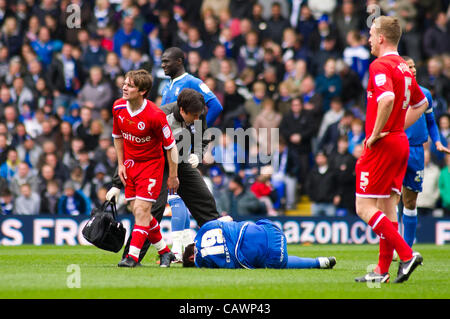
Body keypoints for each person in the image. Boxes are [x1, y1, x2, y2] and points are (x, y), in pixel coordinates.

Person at [354, 16, 428, 284]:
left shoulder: (381, 65)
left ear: (382, 37)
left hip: (383, 144)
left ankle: (406, 255)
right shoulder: (404, 67)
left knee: (363, 206)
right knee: (387, 207)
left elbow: (387, 98)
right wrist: (397, 126)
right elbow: (421, 105)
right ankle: (382, 271)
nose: (369, 39)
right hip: (399, 142)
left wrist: (375, 134)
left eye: (372, 34)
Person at [109, 89, 221, 263]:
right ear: (182, 110)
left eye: (200, 115)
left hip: (181, 162)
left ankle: (221, 246)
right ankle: (131, 256)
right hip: (156, 163)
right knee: (153, 209)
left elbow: (202, 138)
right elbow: (133, 148)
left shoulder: (198, 112)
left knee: (204, 199)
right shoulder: (159, 116)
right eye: (195, 116)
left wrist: (197, 155)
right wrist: (117, 183)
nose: (198, 119)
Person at [112, 69, 180, 268]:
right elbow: (118, 137)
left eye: (130, 85)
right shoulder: (118, 107)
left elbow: (171, 147)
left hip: (151, 166)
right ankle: (165, 252)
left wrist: (173, 176)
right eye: (125, 83)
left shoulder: (155, 115)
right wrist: (121, 164)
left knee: (142, 209)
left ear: (142, 91)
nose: (124, 87)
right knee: (138, 211)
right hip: (131, 166)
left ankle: (132, 257)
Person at [396, 56, 450, 250]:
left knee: (410, 201)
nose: (413, 69)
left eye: (414, 66)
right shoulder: (395, 93)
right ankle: (393, 245)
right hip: (397, 148)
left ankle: (407, 249)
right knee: (393, 198)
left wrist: (436, 141)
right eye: (409, 66)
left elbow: (431, 122)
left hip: (417, 151)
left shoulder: (425, 94)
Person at [182, 217, 337, 270]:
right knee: (251, 225)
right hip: (272, 229)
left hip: (276, 256)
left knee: (275, 264)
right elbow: (228, 218)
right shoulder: (205, 228)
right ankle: (321, 261)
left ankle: (320, 262)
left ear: (191, 258)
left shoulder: (202, 262)